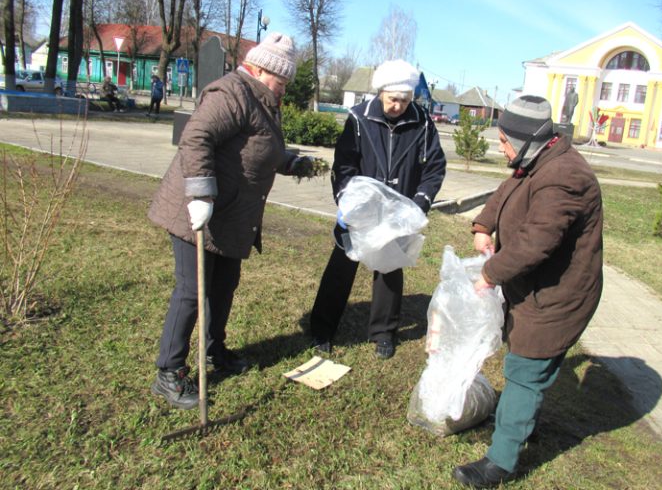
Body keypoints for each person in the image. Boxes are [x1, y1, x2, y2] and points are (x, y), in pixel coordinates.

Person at [147, 32, 318, 410]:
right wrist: (201, 194)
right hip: (198, 211)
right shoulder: (232, 92)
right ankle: (168, 372)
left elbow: (259, 148)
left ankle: (212, 350)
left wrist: (291, 162)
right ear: (258, 69)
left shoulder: (262, 99)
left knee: (224, 286)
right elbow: (196, 138)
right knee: (192, 291)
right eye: (281, 80)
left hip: (230, 217)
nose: (284, 89)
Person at [452, 95, 603, 488]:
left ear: (526, 140)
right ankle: (520, 426)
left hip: (558, 295)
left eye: (504, 140)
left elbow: (537, 242)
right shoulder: (539, 159)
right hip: (535, 286)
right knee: (525, 363)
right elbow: (507, 189)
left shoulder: (566, 176)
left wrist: (490, 273)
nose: (500, 148)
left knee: (525, 368)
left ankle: (499, 463)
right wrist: (483, 225)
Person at [310, 59, 446, 360]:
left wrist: (420, 202)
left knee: (389, 269)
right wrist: (347, 200)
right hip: (360, 210)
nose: (398, 105)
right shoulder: (359, 119)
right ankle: (322, 328)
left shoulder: (422, 122)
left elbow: (434, 167)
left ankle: (384, 332)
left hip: (397, 212)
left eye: (404, 100)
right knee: (342, 265)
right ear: (380, 93)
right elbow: (344, 164)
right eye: (392, 99)